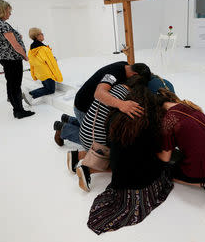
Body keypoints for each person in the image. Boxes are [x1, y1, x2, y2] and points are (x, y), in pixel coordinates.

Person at [87, 82, 173, 234]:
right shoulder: (152, 121)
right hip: (141, 185)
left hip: (119, 182)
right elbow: (159, 154)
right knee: (167, 165)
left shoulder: (114, 118)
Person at [66, 76, 147, 192]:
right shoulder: (127, 99)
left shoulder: (115, 87)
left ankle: (76, 156)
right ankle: (87, 169)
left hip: (84, 129)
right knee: (122, 161)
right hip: (93, 139)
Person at [53, 61, 151, 146]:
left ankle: (68, 120)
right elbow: (99, 93)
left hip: (91, 106)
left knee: (90, 125)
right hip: (83, 107)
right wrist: (122, 104)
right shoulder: (114, 74)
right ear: (134, 75)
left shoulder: (126, 66)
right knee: (96, 143)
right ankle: (63, 129)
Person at [0, 0, 34, 119]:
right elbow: (16, 45)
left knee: (10, 82)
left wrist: (16, 35)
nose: (10, 14)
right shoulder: (3, 25)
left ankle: (12, 100)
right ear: (2, 11)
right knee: (15, 85)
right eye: (8, 11)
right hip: (12, 59)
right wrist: (25, 56)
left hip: (4, 57)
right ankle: (19, 110)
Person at [22, 27, 63, 105]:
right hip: (48, 74)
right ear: (37, 36)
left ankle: (26, 95)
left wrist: (34, 75)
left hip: (40, 74)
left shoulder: (31, 50)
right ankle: (30, 94)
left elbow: (32, 63)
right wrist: (57, 76)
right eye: (41, 34)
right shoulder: (44, 49)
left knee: (46, 87)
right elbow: (51, 64)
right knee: (50, 90)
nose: (43, 35)